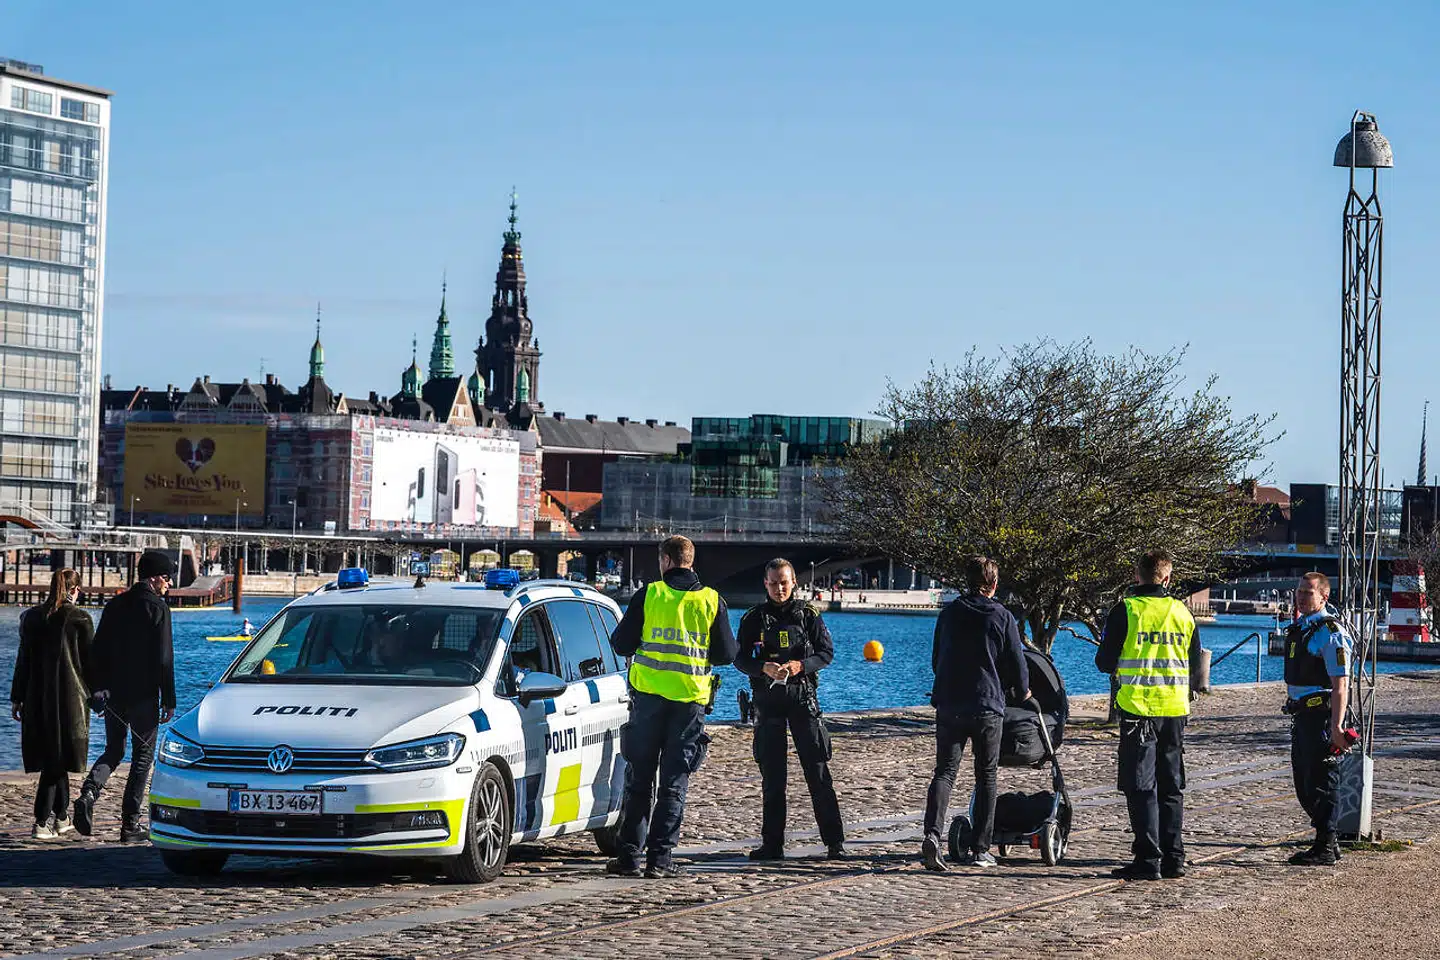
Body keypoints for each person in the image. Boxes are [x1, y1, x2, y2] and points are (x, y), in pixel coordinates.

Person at [607, 535, 737, 878]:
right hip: (689, 705)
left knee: (639, 781)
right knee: (674, 782)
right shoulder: (711, 601)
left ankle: (629, 858)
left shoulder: (649, 595)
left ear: (665, 560)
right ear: (690, 561)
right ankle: (660, 860)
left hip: (648, 700)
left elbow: (620, 643)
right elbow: (727, 654)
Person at [1095, 548, 1201, 881]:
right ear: (1167, 578)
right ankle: (1174, 857)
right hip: (1174, 710)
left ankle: (1148, 858)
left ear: (1136, 575)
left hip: (1138, 709)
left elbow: (1104, 662)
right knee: (1171, 786)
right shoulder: (1182, 612)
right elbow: (1195, 663)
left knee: (1141, 787)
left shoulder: (1126, 610)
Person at [921, 556, 1029, 871]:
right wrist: (1022, 690)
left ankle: (932, 834)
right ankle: (981, 848)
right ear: (994, 584)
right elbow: (1016, 663)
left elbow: (937, 657)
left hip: (950, 703)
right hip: (987, 705)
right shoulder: (1002, 616)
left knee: (944, 772)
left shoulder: (949, 614)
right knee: (986, 774)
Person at [735, 558, 846, 860]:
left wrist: (800, 666)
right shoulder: (752, 619)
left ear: (793, 582)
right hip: (768, 703)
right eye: (773, 583)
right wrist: (762, 668)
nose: (779, 588)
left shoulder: (808, 615)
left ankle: (834, 842)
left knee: (817, 772)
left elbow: (826, 653)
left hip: (802, 699)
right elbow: (739, 658)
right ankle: (773, 844)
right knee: (773, 778)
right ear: (765, 584)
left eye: (783, 582)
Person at [74, 550, 176, 842]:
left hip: (115, 694)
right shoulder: (158, 608)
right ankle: (130, 824)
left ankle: (90, 792)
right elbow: (164, 658)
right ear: (155, 577)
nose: (169, 584)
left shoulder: (115, 605)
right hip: (144, 695)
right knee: (143, 756)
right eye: (167, 577)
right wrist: (169, 699)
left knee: (114, 750)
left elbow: (98, 651)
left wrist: (98, 687)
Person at [10, 569, 94, 840]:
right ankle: (41, 821)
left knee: (54, 757)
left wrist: (16, 697)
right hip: (70, 701)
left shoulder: (32, 618)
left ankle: (61, 817)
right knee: (56, 760)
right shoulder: (80, 618)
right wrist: (100, 693)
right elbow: (90, 663)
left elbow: (22, 661)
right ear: (74, 590)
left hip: (36, 699)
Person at [1283, 572, 1353, 866]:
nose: (1300, 597)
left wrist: (1337, 727)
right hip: (1301, 715)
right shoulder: (1301, 629)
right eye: (1299, 592)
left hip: (1321, 715)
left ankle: (1326, 843)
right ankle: (1327, 839)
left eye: (1307, 593)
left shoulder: (1330, 632)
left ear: (1323, 596)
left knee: (1323, 781)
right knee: (1304, 783)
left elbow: (1341, 684)